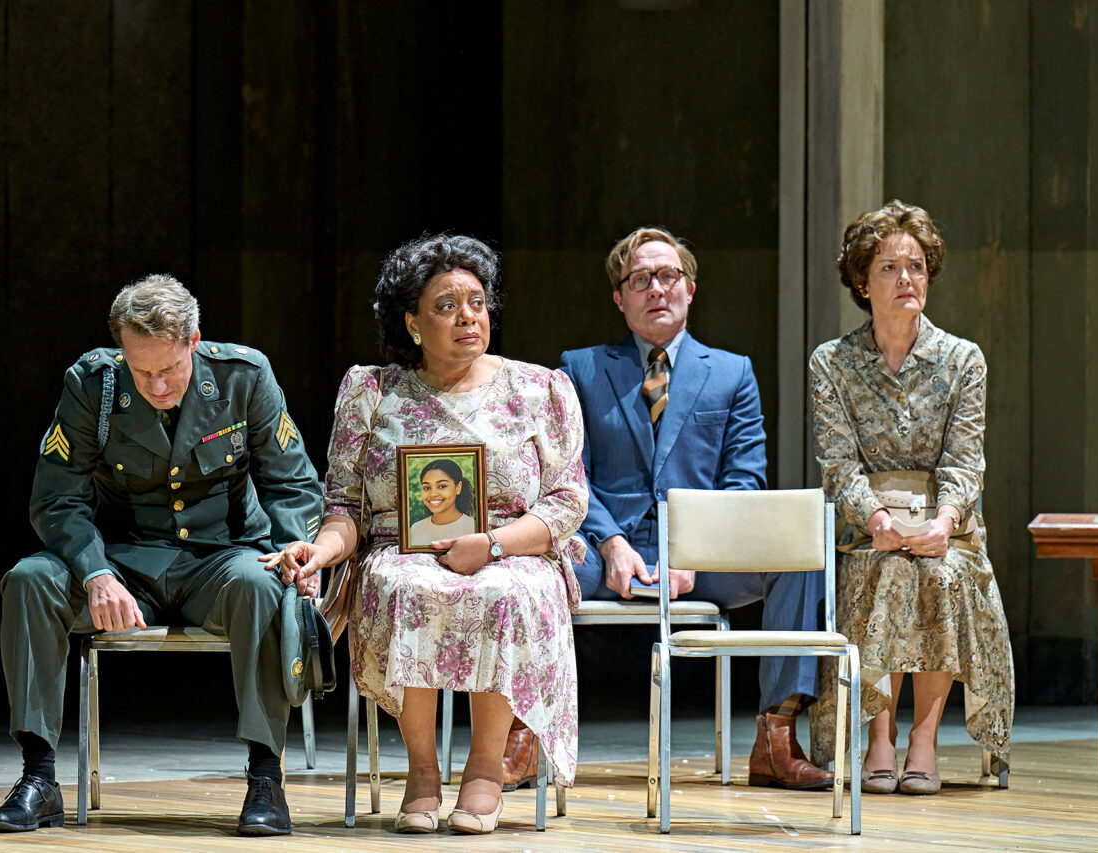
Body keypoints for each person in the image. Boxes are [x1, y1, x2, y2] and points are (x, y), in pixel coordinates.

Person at [0, 275, 323, 835]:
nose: (157, 384)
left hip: (222, 557)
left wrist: (295, 546)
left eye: (169, 368)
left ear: (194, 341)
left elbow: (293, 483)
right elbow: (56, 498)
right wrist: (94, 571)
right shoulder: (92, 382)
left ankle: (266, 781)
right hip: (124, 561)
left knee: (263, 584)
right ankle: (38, 780)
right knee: (28, 580)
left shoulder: (244, 377)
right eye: (142, 371)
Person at [282, 234, 587, 835]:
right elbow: (346, 504)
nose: (468, 316)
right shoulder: (373, 392)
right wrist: (321, 550)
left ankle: (484, 770)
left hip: (513, 550)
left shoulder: (539, 388)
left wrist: (493, 545)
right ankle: (421, 771)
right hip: (403, 549)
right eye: (446, 305)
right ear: (413, 323)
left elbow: (568, 498)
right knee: (402, 583)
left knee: (507, 592)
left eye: (476, 302)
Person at [559, 226, 833, 790]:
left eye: (668, 276)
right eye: (640, 280)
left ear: (690, 289)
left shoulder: (731, 372)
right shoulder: (580, 369)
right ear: (620, 296)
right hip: (605, 553)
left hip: (701, 556)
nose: (656, 289)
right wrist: (610, 542)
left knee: (799, 558)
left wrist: (695, 545)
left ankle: (775, 739)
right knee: (529, 568)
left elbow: (744, 480)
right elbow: (567, 475)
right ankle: (523, 735)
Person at [807, 200, 1014, 795]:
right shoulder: (833, 363)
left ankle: (924, 740)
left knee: (941, 573)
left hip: (947, 524)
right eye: (890, 268)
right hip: (866, 522)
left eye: (917, 266)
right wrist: (875, 518)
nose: (907, 279)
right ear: (861, 282)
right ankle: (879, 739)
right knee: (887, 571)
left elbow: (964, 460)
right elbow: (839, 462)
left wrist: (945, 521)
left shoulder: (961, 359)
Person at [407, 459, 477, 547]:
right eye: (427, 487)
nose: (432, 494)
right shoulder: (415, 529)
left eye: (442, 486)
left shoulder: (475, 528)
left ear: (458, 488)